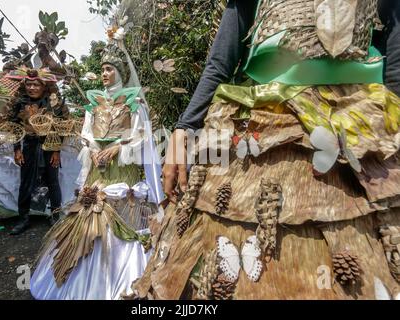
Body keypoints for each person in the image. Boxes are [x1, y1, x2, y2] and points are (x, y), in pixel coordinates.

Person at [131, 0, 400, 299]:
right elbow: (221, 61)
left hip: (358, 122)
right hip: (264, 121)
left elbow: (396, 47)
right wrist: (184, 129)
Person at [29, 40, 164, 299]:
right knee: (91, 213)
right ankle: (85, 280)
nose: (104, 73)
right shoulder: (95, 101)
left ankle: (122, 277)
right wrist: (91, 149)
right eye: (102, 69)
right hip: (97, 169)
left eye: (109, 69)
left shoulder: (133, 100)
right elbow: (87, 133)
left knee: (122, 214)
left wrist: (117, 148)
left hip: (122, 168)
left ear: (121, 73)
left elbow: (141, 135)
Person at [0, 68, 68, 235]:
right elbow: (14, 128)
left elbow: (62, 127)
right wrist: (17, 149)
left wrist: (56, 150)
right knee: (26, 182)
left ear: (44, 87)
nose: (32, 88)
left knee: (52, 180)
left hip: (49, 147)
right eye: (29, 84)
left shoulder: (53, 103)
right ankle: (23, 218)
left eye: (36, 84)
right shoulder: (20, 102)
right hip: (28, 147)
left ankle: (55, 215)